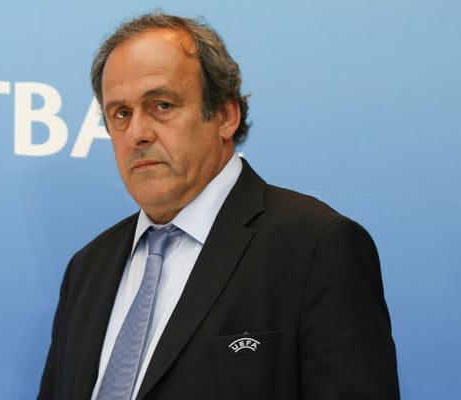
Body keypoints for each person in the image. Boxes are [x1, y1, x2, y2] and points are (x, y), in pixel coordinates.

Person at [38, 11, 399, 400]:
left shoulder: (315, 246)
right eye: (121, 113)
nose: (137, 133)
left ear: (226, 115)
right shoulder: (87, 267)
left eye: (161, 105)